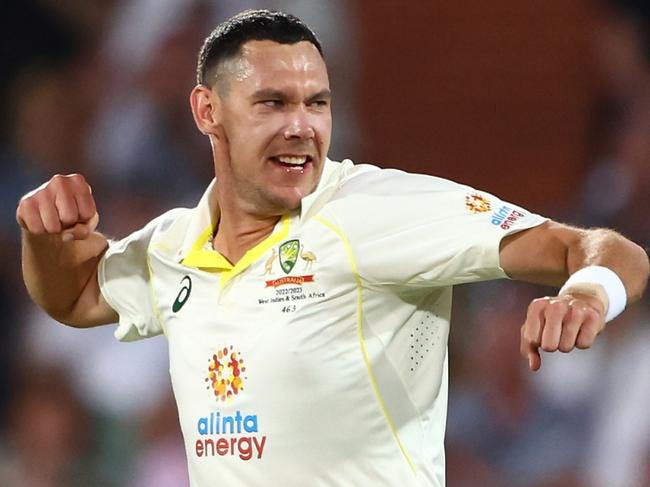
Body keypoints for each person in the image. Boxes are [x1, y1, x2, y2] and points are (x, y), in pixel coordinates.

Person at [15, 9, 649, 487]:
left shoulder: (377, 210)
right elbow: (77, 295)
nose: (302, 126)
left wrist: (589, 295)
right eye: (273, 103)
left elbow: (602, 248)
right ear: (208, 111)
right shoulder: (176, 242)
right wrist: (44, 240)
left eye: (317, 103)